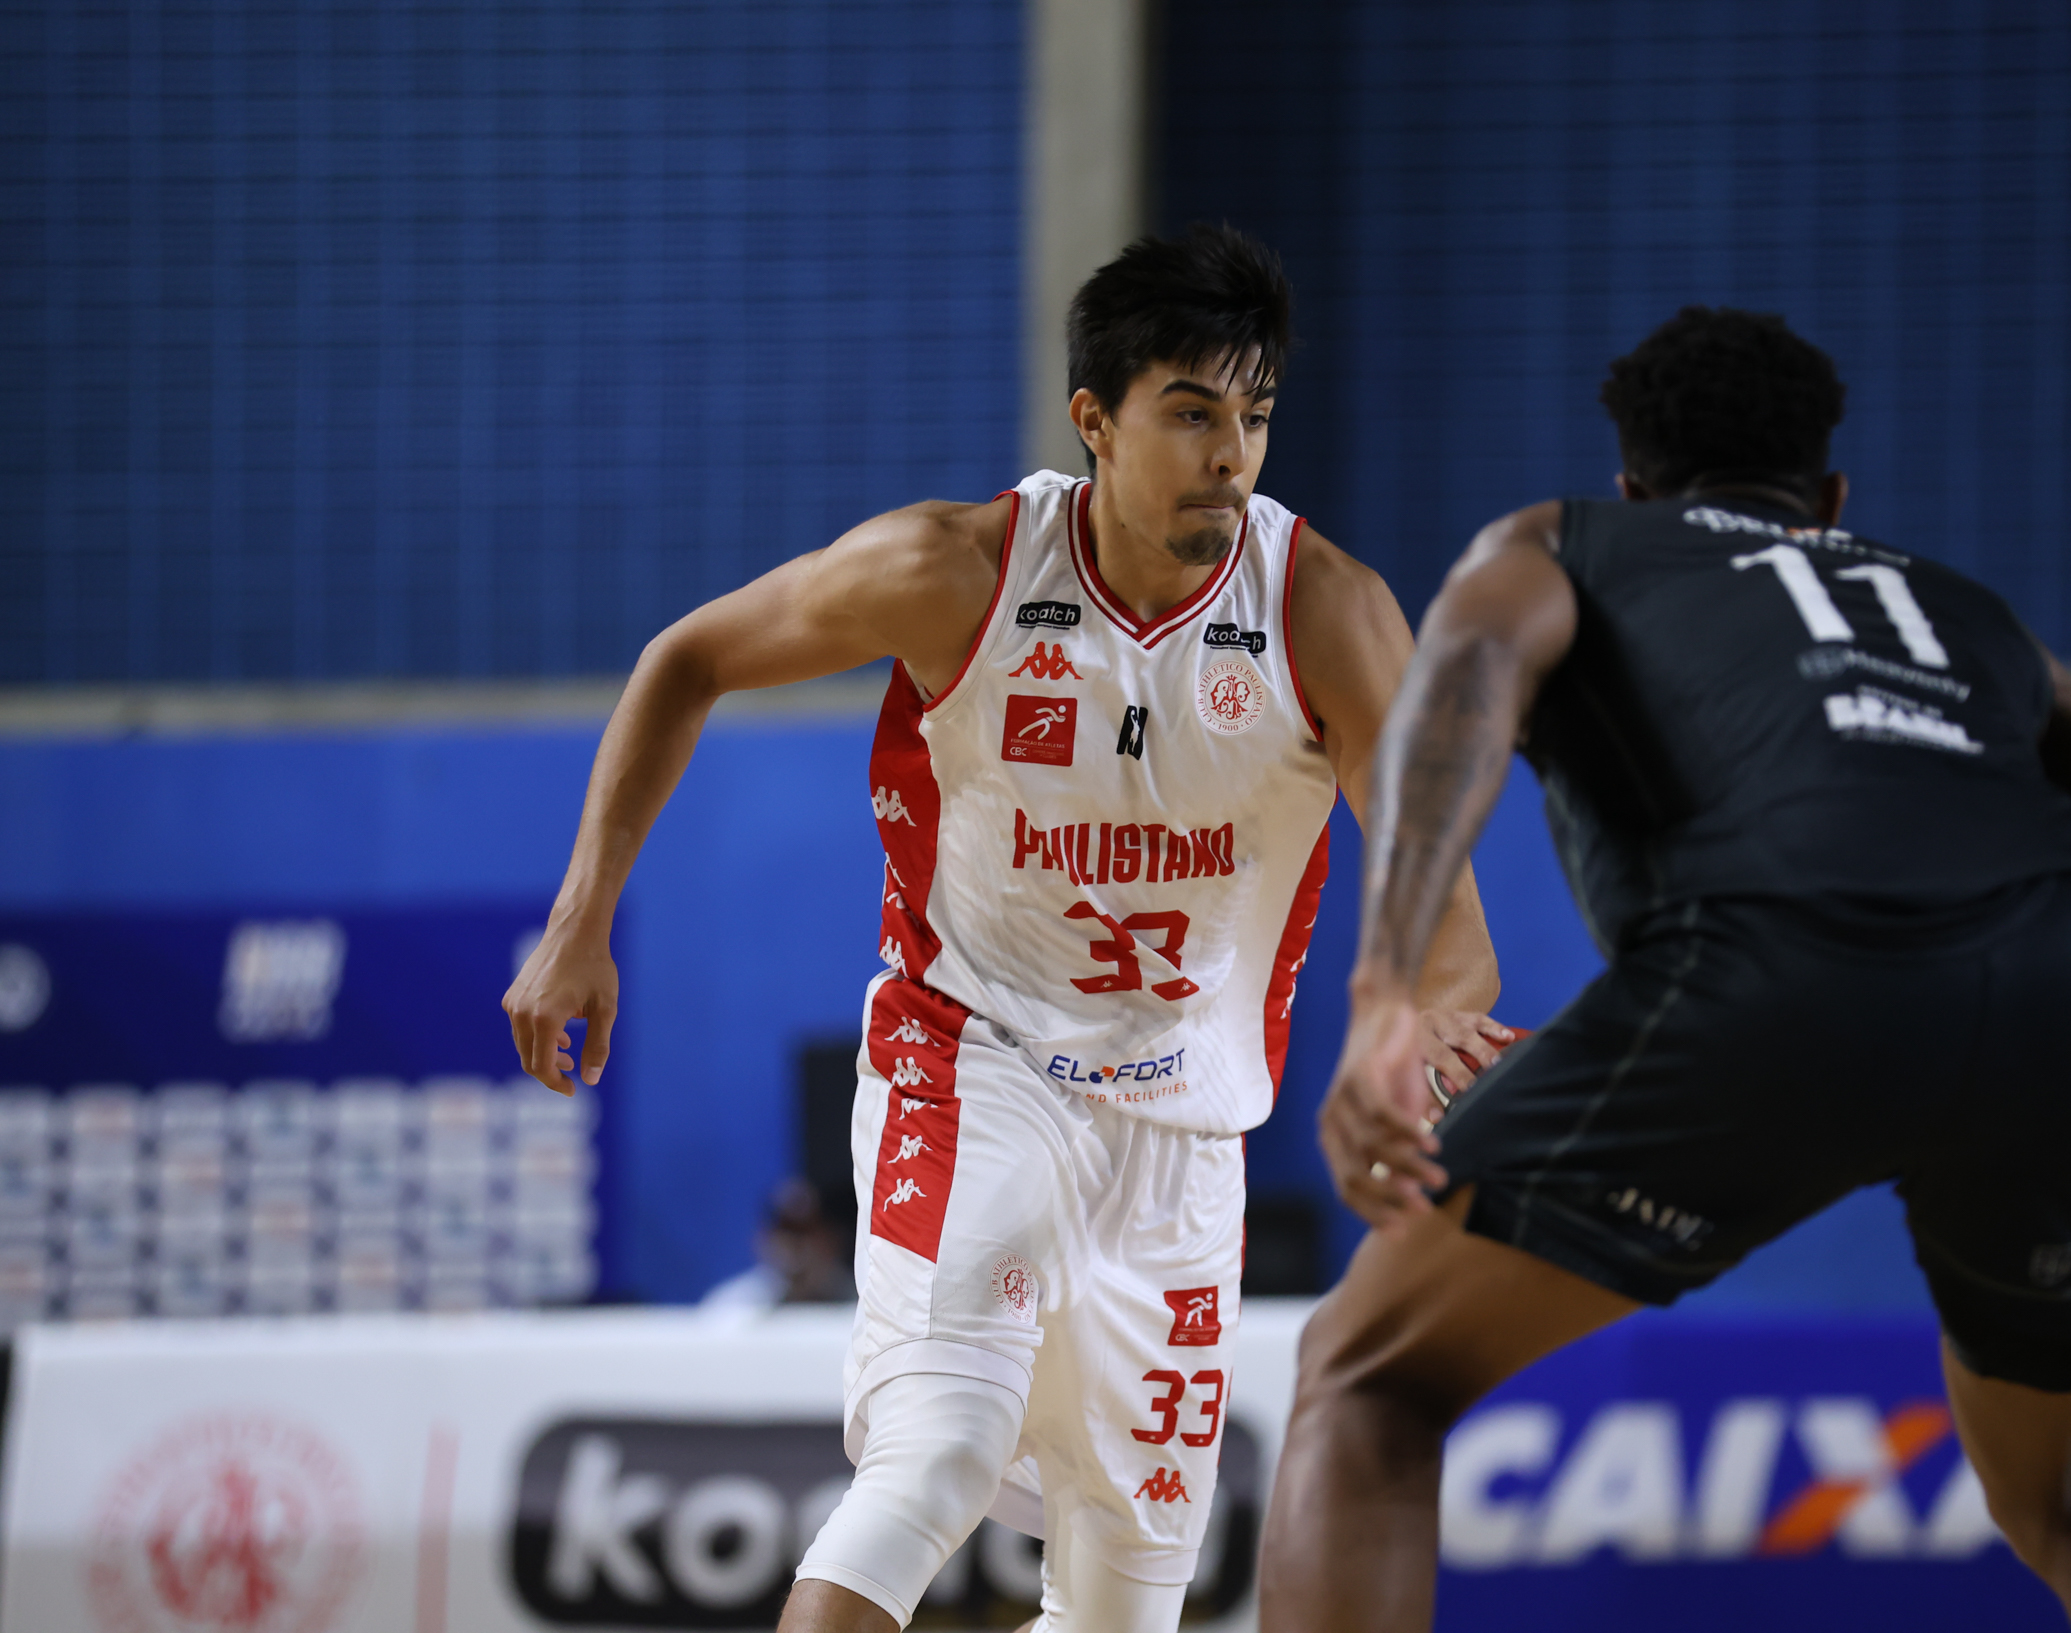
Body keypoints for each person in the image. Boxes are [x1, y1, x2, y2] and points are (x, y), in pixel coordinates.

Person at [1258, 307, 2071, 1631]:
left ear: (1631, 487)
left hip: (1773, 969)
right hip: (2064, 1011)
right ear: (1831, 497)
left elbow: (1467, 665)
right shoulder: (1972, 624)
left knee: (1368, 1379)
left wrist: (1387, 990)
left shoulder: (1560, 544)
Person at [502, 224, 1509, 1633]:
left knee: (1123, 1610)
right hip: (978, 1063)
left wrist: (1431, 1007)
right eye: (1191, 413)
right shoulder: (955, 570)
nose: (1231, 454)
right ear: (1094, 419)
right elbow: (690, 657)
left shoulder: (1326, 611)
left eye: (1255, 415)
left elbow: (1439, 893)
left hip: (1185, 1136)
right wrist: (580, 919)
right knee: (936, 1460)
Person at [699, 1178, 857, 1312]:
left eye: (807, 1233)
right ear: (763, 1240)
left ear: (832, 1239)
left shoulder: (860, 1300)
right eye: (787, 1232)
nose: (798, 1246)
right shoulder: (733, 1306)